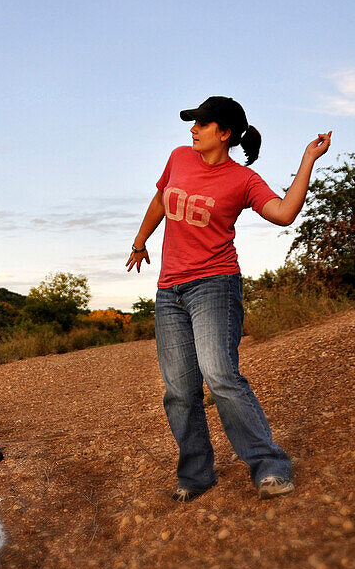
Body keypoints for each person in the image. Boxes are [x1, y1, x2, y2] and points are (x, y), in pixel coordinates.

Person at [126, 96, 331, 502]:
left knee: (219, 374)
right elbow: (160, 200)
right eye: (193, 123)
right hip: (169, 290)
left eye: (201, 124)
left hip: (215, 286)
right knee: (180, 390)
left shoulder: (243, 180)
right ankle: (197, 474)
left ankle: (270, 466)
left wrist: (308, 159)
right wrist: (139, 241)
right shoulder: (179, 157)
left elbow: (285, 213)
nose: (193, 130)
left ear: (224, 133)